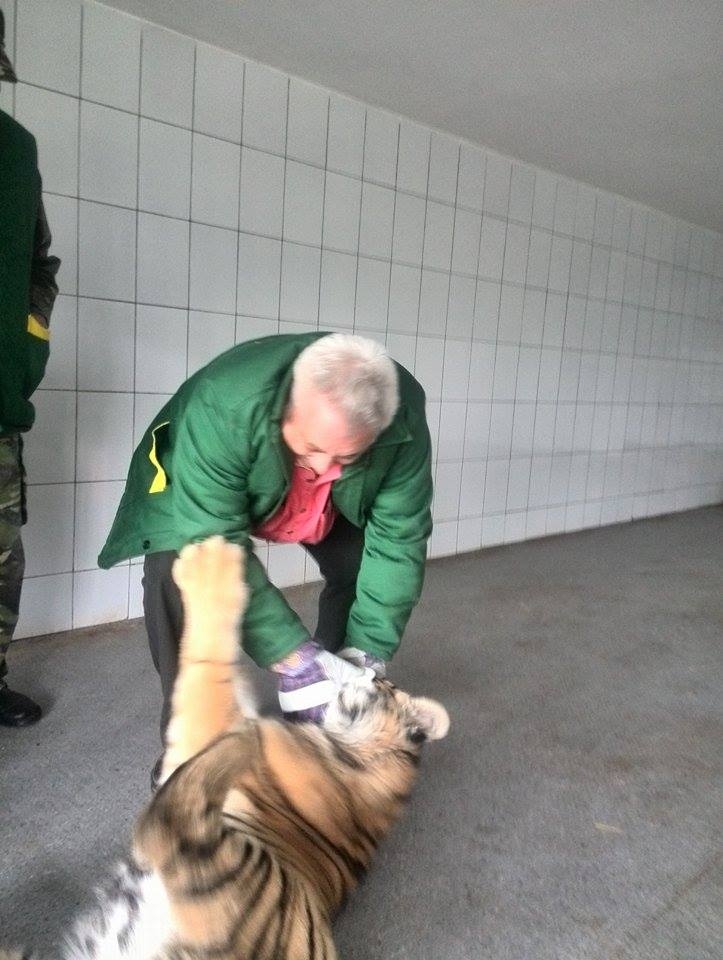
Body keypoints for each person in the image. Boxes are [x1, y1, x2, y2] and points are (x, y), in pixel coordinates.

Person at [99, 332, 433, 779]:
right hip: (214, 487)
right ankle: (195, 744)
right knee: (180, 574)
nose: (322, 467)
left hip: (319, 502)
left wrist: (367, 653)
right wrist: (290, 654)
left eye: (347, 456)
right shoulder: (227, 403)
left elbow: (398, 540)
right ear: (288, 407)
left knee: (361, 569)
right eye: (313, 448)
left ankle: (330, 713)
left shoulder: (402, 419)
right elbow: (214, 542)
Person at [0, 9, 61, 727]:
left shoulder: (16, 151)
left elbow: (38, 262)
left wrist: (26, 347)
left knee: (2, 558)